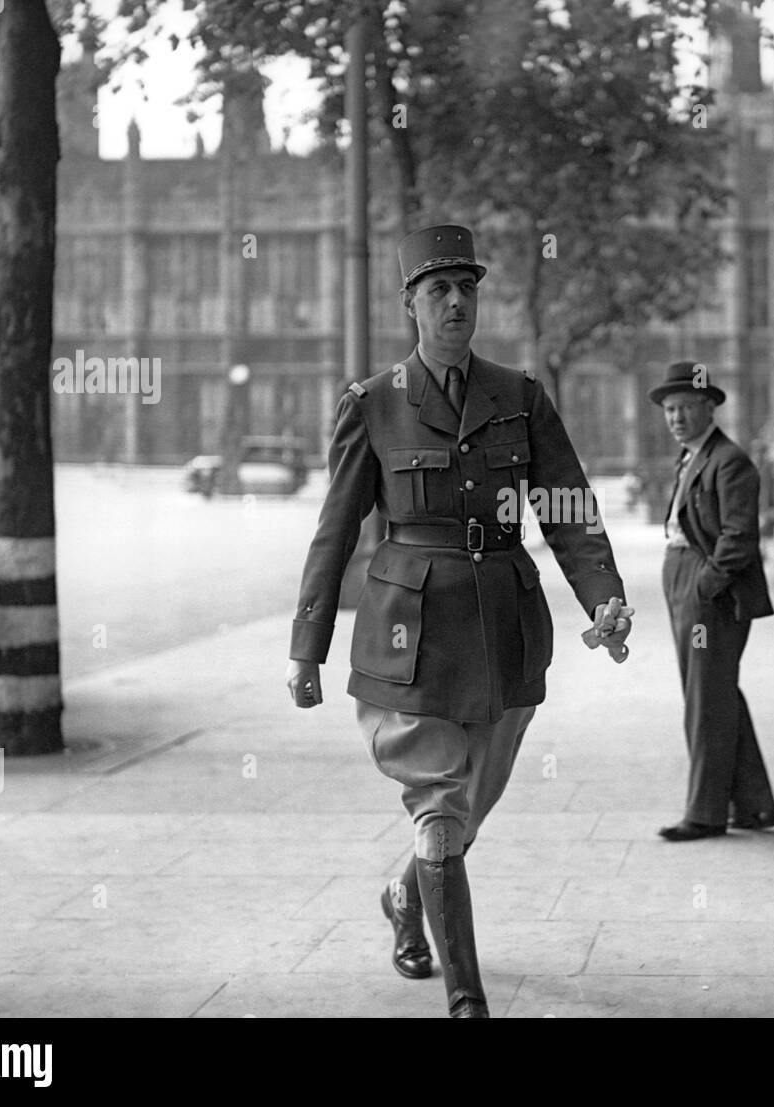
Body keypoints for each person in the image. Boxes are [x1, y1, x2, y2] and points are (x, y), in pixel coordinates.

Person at [285, 224, 632, 1018]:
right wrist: (308, 647)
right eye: (438, 290)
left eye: (466, 289)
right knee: (441, 804)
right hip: (411, 636)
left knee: (472, 799)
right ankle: (466, 996)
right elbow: (335, 531)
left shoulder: (519, 396)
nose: (455, 303)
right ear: (410, 304)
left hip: (506, 627)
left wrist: (604, 598)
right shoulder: (371, 404)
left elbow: (569, 509)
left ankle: (406, 899)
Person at [651, 361, 774, 842]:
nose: (676, 419)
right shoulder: (691, 458)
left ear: (709, 408)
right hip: (684, 576)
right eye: (669, 410)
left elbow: (740, 537)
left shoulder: (730, 461)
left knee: (706, 700)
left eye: (685, 408)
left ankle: (705, 814)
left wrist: (705, 584)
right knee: (716, 693)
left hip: (710, 591)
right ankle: (752, 806)